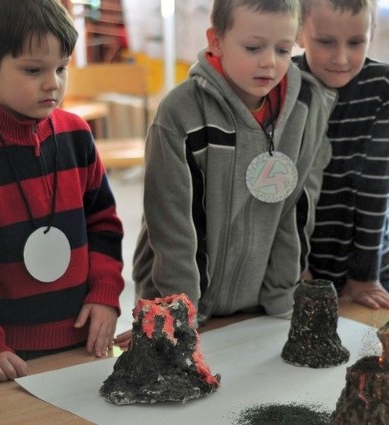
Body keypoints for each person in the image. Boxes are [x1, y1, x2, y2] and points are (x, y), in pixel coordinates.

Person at [123, 0, 334, 337]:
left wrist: (281, 298)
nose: (269, 62)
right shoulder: (179, 113)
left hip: (258, 312)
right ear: (216, 41)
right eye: (253, 47)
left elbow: (297, 208)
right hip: (179, 310)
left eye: (283, 49)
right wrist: (178, 318)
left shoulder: (306, 108)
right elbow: (173, 230)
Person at [0, 0, 125, 382]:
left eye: (61, 67)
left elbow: (104, 224)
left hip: (83, 338)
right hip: (4, 354)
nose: (52, 83)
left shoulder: (77, 134)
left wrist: (105, 294)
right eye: (33, 70)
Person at [293, 0, 389, 310]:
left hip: (367, 265)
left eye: (356, 43)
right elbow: (283, 190)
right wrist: (295, 265)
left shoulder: (382, 84)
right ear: (301, 33)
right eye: (325, 42)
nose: (341, 58)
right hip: (301, 264)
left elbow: (376, 188)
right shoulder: (285, 83)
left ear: (372, 33)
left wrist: (365, 276)